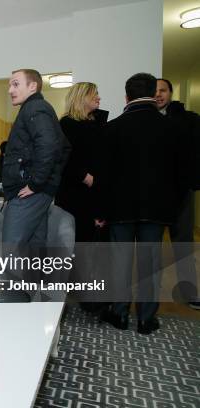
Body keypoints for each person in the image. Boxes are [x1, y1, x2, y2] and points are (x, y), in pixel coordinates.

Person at [98, 73, 184, 335]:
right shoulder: (171, 127)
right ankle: (146, 320)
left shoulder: (112, 128)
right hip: (156, 210)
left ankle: (120, 314)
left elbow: (104, 175)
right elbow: (180, 175)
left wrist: (101, 211)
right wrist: (174, 210)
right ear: (153, 92)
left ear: (127, 96)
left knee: (120, 263)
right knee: (151, 263)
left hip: (119, 209)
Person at [55, 82, 108, 314]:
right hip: (74, 196)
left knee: (91, 247)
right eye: (94, 94)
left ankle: (89, 295)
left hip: (95, 195)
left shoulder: (95, 124)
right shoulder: (66, 123)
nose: (98, 97)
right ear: (81, 97)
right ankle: (65, 296)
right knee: (73, 246)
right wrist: (84, 176)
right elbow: (62, 160)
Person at [2, 69, 70, 247]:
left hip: (29, 191)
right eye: (10, 85)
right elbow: (65, 147)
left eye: (15, 84)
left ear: (33, 86)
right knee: (34, 249)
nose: (10, 90)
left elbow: (49, 145)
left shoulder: (35, 107)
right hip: (38, 191)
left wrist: (36, 183)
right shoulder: (36, 108)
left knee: (11, 252)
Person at [155, 78, 200, 310]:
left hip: (181, 193)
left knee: (183, 242)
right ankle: (150, 294)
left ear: (171, 93)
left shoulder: (189, 119)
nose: (158, 94)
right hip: (153, 195)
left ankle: (189, 292)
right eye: (154, 91)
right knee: (150, 246)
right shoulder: (145, 121)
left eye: (163, 90)